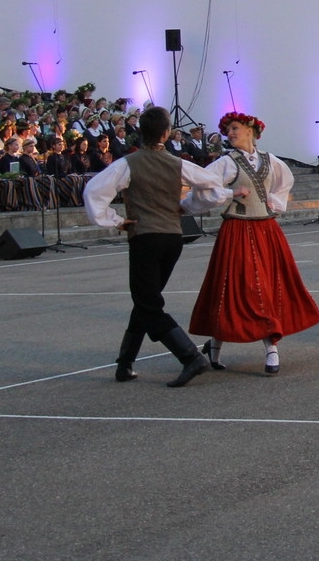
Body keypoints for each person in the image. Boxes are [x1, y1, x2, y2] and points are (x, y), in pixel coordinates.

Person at [83, 106, 230, 387]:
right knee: (145, 300)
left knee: (148, 302)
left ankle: (190, 356)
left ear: (141, 132)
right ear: (166, 133)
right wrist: (187, 207)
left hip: (146, 236)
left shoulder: (128, 163)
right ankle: (125, 363)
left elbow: (93, 191)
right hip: (173, 237)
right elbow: (213, 186)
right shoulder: (178, 164)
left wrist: (115, 220)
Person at [186, 111, 319, 375]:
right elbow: (202, 186)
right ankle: (221, 345)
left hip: (266, 229)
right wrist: (228, 193)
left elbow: (285, 183)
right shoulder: (227, 162)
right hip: (237, 229)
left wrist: (275, 202)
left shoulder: (270, 160)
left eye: (235, 128)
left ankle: (268, 344)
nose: (231, 133)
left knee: (268, 286)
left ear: (251, 130)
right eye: (228, 130)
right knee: (237, 287)